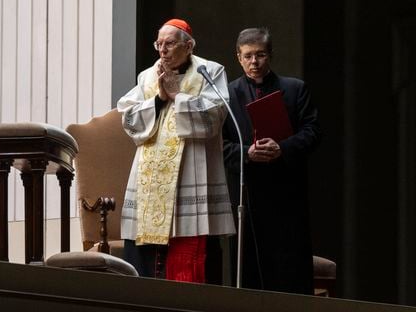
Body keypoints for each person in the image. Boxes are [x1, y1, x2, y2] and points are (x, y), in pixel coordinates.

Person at [118, 18, 236, 283]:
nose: (163, 49)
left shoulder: (210, 71)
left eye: (170, 43)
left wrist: (177, 96)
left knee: (191, 246)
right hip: (151, 181)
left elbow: (214, 116)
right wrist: (159, 99)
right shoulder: (148, 76)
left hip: (190, 174)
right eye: (159, 43)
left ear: (189, 46)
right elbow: (127, 117)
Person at [223, 27, 320, 294]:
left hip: (287, 193)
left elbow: (313, 132)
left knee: (290, 273)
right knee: (249, 275)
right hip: (247, 196)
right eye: (248, 56)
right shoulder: (225, 96)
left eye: (261, 55)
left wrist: (282, 148)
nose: (254, 62)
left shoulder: (295, 88)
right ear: (238, 57)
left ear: (270, 55)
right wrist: (246, 153)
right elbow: (218, 146)